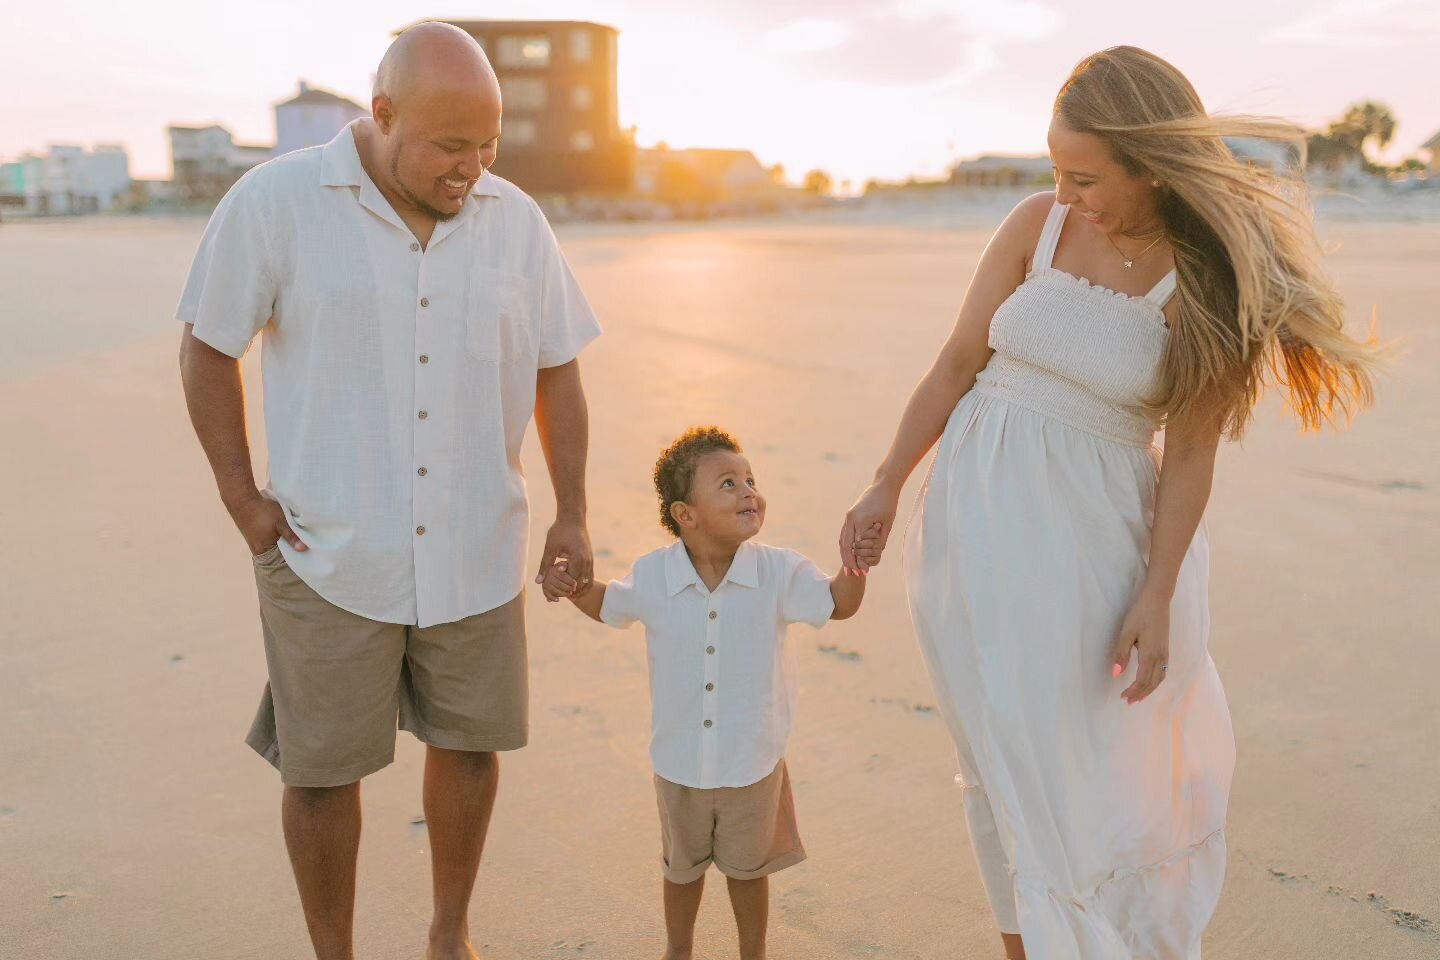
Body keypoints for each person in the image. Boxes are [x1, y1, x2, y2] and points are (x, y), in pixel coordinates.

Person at [839, 46, 1380, 960]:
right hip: (973, 529)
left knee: (1082, 772)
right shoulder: (1032, 225)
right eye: (1056, 169)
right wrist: (888, 480)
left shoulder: (1207, 280)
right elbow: (956, 362)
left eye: (1084, 175)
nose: (1066, 192)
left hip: (1094, 543)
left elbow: (1193, 453)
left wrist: (1158, 591)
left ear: (1149, 164)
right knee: (996, 759)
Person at [177, 22, 602, 960]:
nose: (473, 169)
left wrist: (571, 510)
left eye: (488, 146)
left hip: (475, 547)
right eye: (451, 146)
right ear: (381, 114)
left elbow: (558, 367)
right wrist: (241, 500)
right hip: (326, 553)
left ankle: (449, 934)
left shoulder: (515, 219)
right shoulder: (276, 201)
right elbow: (209, 346)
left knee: (470, 748)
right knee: (322, 774)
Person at [542, 426, 880, 960]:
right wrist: (573, 587)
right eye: (728, 483)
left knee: (749, 872)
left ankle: (754, 952)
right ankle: (678, 949)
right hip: (679, 763)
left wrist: (855, 564)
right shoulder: (654, 575)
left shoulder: (779, 571)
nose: (748, 491)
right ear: (685, 514)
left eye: (750, 479)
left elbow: (838, 603)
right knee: (682, 870)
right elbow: (610, 604)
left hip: (752, 762)